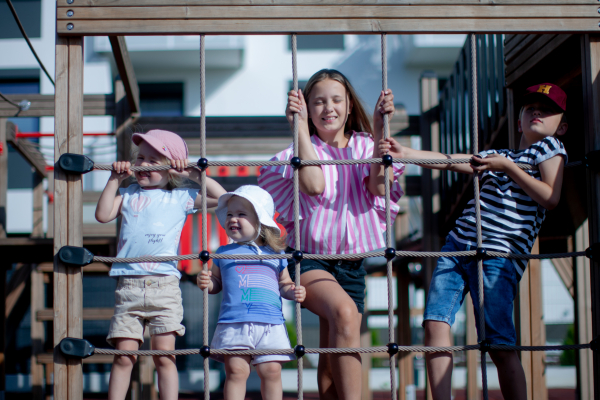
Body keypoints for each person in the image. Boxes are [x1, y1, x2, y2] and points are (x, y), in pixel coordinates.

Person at [379, 83, 568, 400]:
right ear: (519, 122)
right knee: (434, 323)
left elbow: (550, 197)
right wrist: (407, 154)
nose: (537, 111)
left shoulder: (550, 148)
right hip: (458, 244)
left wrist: (508, 167)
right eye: (530, 108)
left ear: (561, 127)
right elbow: (454, 161)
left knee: (498, 342)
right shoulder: (501, 155)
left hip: (499, 255)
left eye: (547, 110)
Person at [257, 69, 404, 400]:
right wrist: (299, 130)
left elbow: (380, 187)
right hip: (309, 260)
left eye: (336, 100)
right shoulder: (300, 151)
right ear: (307, 109)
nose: (329, 108)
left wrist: (380, 128)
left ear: (349, 105)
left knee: (332, 352)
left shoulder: (365, 145)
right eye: (318, 102)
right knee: (345, 314)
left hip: (351, 265)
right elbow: (314, 185)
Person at [95, 129, 226, 400]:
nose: (143, 165)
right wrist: (114, 179)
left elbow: (224, 199)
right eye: (140, 158)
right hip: (129, 286)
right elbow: (103, 215)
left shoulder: (181, 197)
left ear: (171, 169)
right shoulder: (128, 194)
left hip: (164, 286)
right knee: (124, 356)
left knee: (164, 356)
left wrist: (194, 175)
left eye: (153, 161)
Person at [197, 185, 306, 400]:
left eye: (241, 214)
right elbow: (216, 284)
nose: (232, 219)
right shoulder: (223, 252)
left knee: (271, 371)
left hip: (271, 323)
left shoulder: (276, 254)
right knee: (236, 371)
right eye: (230, 214)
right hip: (234, 322)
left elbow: (284, 283)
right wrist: (207, 283)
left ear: (261, 221)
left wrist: (293, 291)